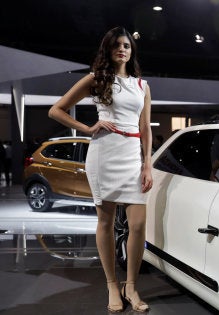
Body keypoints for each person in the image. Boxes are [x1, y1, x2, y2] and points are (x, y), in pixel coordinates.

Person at [48, 26, 152, 313]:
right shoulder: (96, 79)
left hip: (132, 157)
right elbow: (56, 109)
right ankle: (111, 285)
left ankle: (131, 286)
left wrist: (147, 165)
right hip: (104, 153)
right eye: (117, 45)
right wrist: (87, 128)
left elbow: (145, 129)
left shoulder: (142, 85)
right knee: (105, 223)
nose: (122, 49)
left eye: (127, 45)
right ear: (108, 49)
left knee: (139, 225)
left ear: (132, 51)